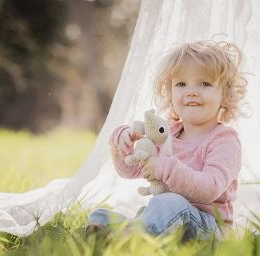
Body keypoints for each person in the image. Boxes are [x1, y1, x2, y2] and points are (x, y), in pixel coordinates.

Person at [87, 40, 247, 241]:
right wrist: (121, 146)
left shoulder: (224, 140)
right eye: (181, 84)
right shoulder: (167, 133)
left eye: (205, 83)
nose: (191, 91)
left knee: (169, 203)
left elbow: (210, 188)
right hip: (170, 219)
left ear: (225, 94)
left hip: (209, 229)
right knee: (100, 215)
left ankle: (134, 240)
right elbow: (130, 170)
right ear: (170, 93)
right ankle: (119, 236)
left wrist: (163, 167)